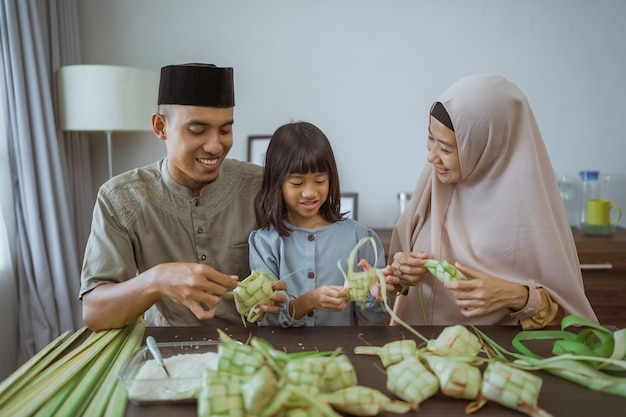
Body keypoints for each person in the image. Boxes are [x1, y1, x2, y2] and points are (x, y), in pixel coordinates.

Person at [79, 63, 285, 331]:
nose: (214, 146)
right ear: (160, 126)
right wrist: (158, 280)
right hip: (164, 356)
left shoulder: (260, 185)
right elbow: (95, 312)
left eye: (224, 130)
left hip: (252, 352)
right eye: (197, 130)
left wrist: (279, 293)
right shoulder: (120, 197)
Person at [385, 74, 597, 330]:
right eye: (431, 138)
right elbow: (394, 286)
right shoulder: (432, 187)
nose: (432, 157)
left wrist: (517, 296)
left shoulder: (529, 212)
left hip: (495, 358)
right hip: (418, 351)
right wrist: (401, 273)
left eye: (447, 148)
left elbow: (566, 317)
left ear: (488, 145)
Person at [249, 121, 387, 327]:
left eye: (320, 181)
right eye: (297, 183)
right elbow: (267, 318)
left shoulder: (360, 237)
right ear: (276, 183)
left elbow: (373, 317)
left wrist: (376, 294)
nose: (310, 192)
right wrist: (310, 301)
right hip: (283, 357)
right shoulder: (265, 242)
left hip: (341, 356)